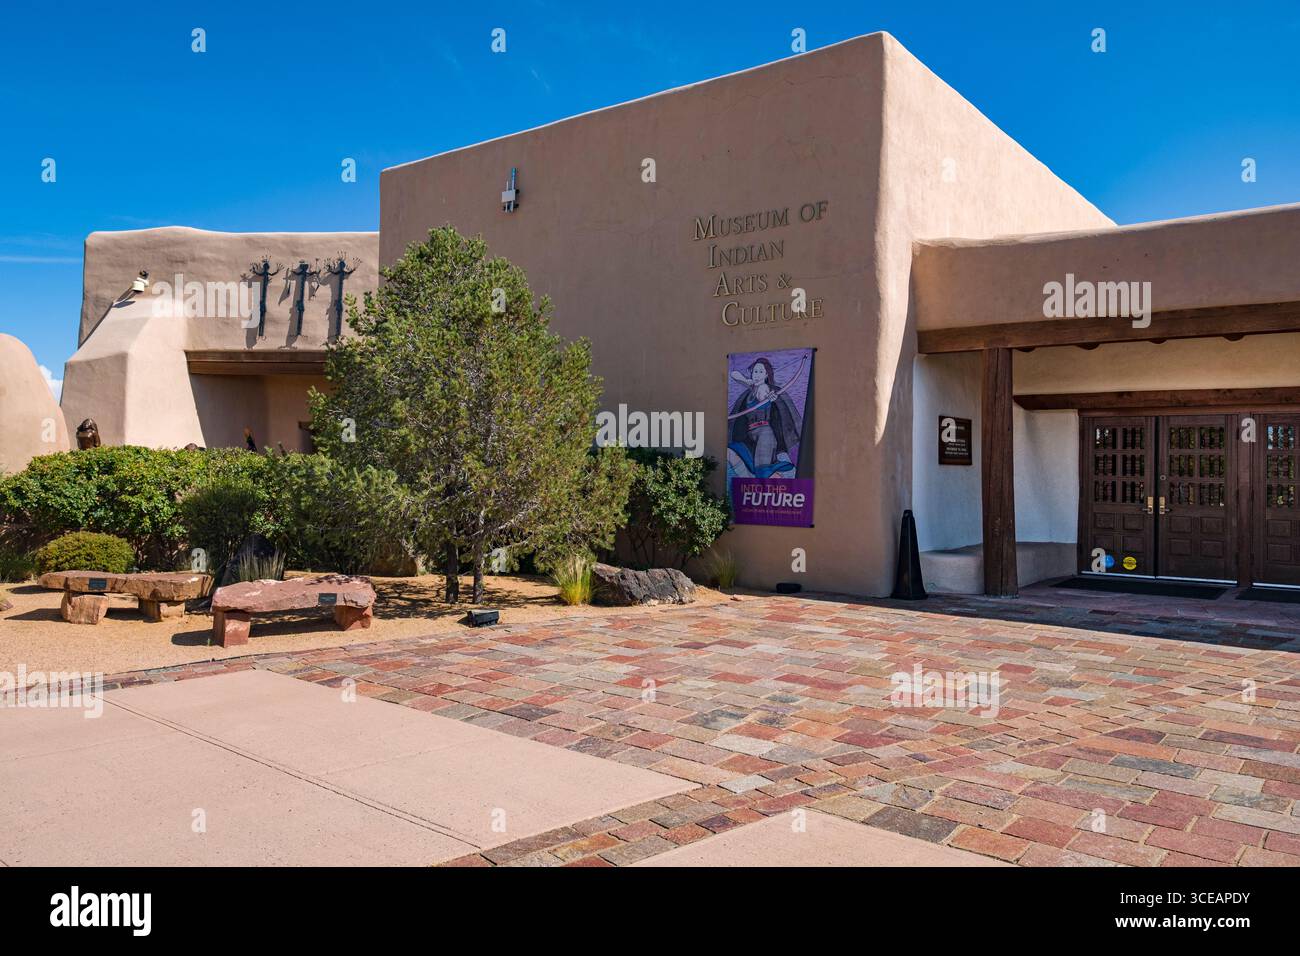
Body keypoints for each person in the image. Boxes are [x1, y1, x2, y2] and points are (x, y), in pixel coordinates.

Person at [727, 357, 801, 479]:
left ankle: (783, 482)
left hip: (764, 434)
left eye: (761, 372)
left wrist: (770, 397)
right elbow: (734, 374)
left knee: (762, 473)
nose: (757, 375)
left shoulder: (765, 388)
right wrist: (747, 380)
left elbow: (766, 395)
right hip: (750, 436)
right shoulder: (752, 388)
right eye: (755, 371)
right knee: (732, 452)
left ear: (766, 375)